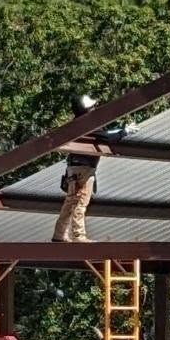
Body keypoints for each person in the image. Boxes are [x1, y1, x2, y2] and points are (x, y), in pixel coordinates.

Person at [53, 95, 127, 244]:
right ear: (85, 110)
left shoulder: (76, 124)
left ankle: (59, 234)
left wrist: (119, 130)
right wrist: (124, 132)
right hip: (84, 170)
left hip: (73, 168)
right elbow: (107, 138)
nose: (94, 109)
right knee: (81, 201)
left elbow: (104, 134)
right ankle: (78, 236)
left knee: (70, 201)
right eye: (91, 107)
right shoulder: (88, 124)